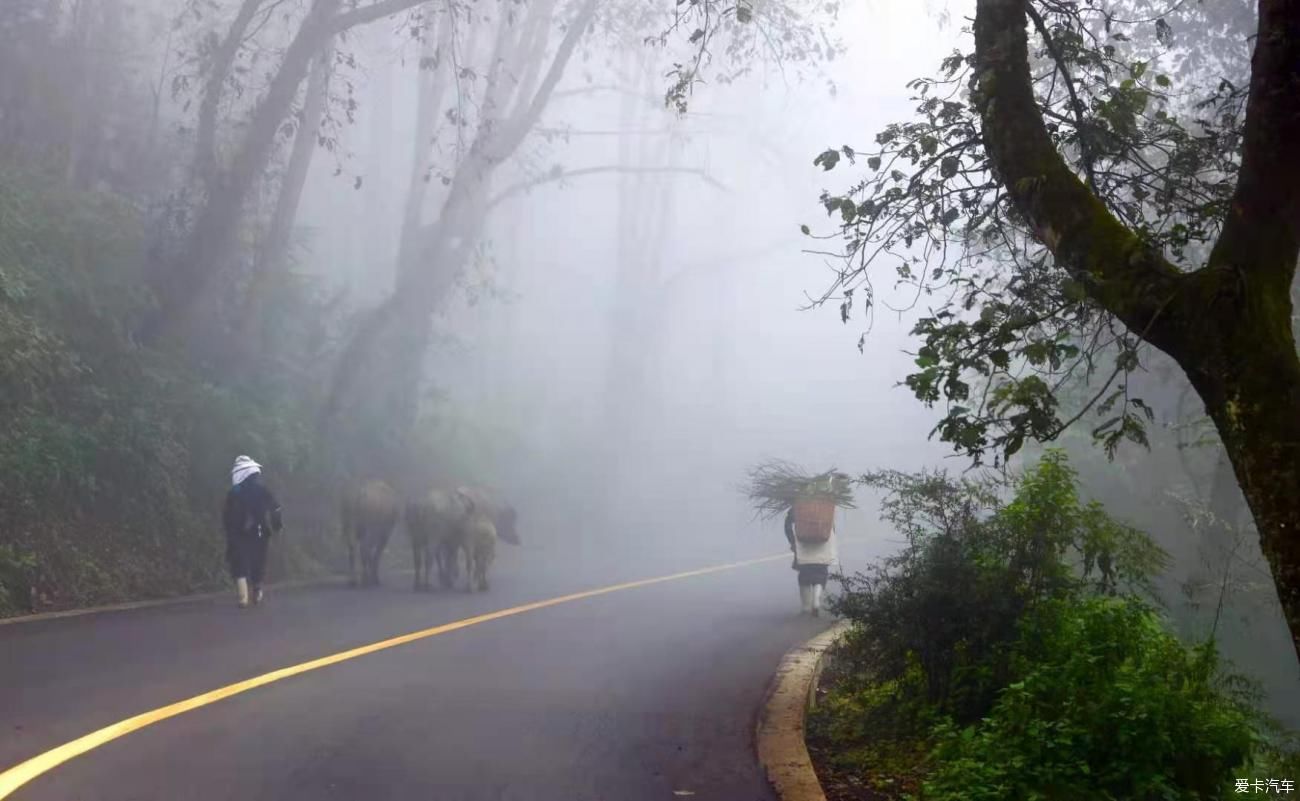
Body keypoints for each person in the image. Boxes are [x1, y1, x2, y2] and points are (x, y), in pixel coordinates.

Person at [222, 455, 283, 608]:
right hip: (260, 530)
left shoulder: (234, 492)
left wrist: (229, 533)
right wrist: (277, 525)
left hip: (238, 533)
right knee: (258, 561)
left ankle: (243, 597)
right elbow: (275, 507)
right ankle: (257, 589)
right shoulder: (261, 490)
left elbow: (227, 515)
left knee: (239, 562)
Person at [785, 505, 838, 617]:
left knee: (804, 575)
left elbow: (788, 525)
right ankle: (816, 602)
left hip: (803, 544)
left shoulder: (798, 505)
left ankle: (806, 607)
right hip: (823, 544)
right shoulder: (827, 504)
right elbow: (832, 527)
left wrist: (792, 541)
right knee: (821, 574)